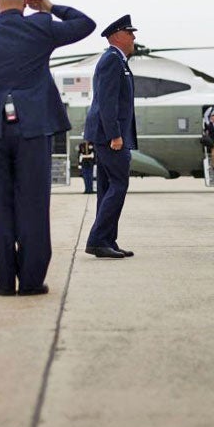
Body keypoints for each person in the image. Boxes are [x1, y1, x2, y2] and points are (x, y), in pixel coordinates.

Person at [0, 0, 95, 296]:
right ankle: (32, 281)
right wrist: (50, 7)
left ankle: (4, 281)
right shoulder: (41, 26)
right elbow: (85, 24)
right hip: (34, 128)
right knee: (33, 204)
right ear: (25, 0)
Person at [84, 15, 139, 260]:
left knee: (107, 188)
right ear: (117, 35)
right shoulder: (112, 61)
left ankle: (106, 240)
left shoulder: (118, 61)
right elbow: (107, 102)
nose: (134, 37)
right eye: (130, 33)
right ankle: (97, 239)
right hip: (110, 137)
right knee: (118, 185)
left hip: (109, 135)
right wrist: (115, 135)